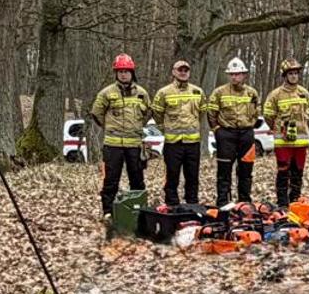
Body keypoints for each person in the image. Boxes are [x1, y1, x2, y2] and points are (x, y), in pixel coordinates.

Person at [91, 54, 153, 217]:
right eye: (120, 71)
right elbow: (97, 113)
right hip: (113, 144)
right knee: (111, 181)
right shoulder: (106, 93)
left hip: (134, 144)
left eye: (126, 71)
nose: (123, 74)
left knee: (137, 180)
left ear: (132, 72)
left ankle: (138, 211)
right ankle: (108, 212)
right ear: (116, 73)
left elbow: (148, 112)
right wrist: (110, 127)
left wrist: (138, 126)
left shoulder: (142, 93)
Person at [206, 57, 262, 206]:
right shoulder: (219, 92)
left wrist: (250, 126)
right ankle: (223, 202)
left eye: (238, 74)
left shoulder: (252, 93)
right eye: (232, 74)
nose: (235, 77)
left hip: (246, 135)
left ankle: (244, 202)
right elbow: (211, 113)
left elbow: (257, 111)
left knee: (246, 171)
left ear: (244, 74)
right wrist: (217, 130)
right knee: (224, 171)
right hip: (226, 135)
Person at [152, 60, 206, 206]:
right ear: (173, 72)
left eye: (186, 70)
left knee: (192, 177)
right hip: (173, 143)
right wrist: (166, 128)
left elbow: (202, 113)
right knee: (172, 176)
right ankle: (172, 205)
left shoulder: (198, 92)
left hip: (192, 143)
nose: (183, 73)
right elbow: (157, 113)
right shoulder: (164, 92)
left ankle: (192, 205)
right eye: (180, 70)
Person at [263, 59, 309, 205]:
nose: (293, 76)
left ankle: (295, 200)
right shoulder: (275, 95)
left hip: (301, 141)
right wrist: (277, 126)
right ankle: (282, 203)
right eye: (290, 73)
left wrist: (305, 117)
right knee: (283, 172)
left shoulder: (303, 93)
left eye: (296, 73)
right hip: (283, 141)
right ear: (285, 75)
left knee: (298, 172)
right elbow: (268, 114)